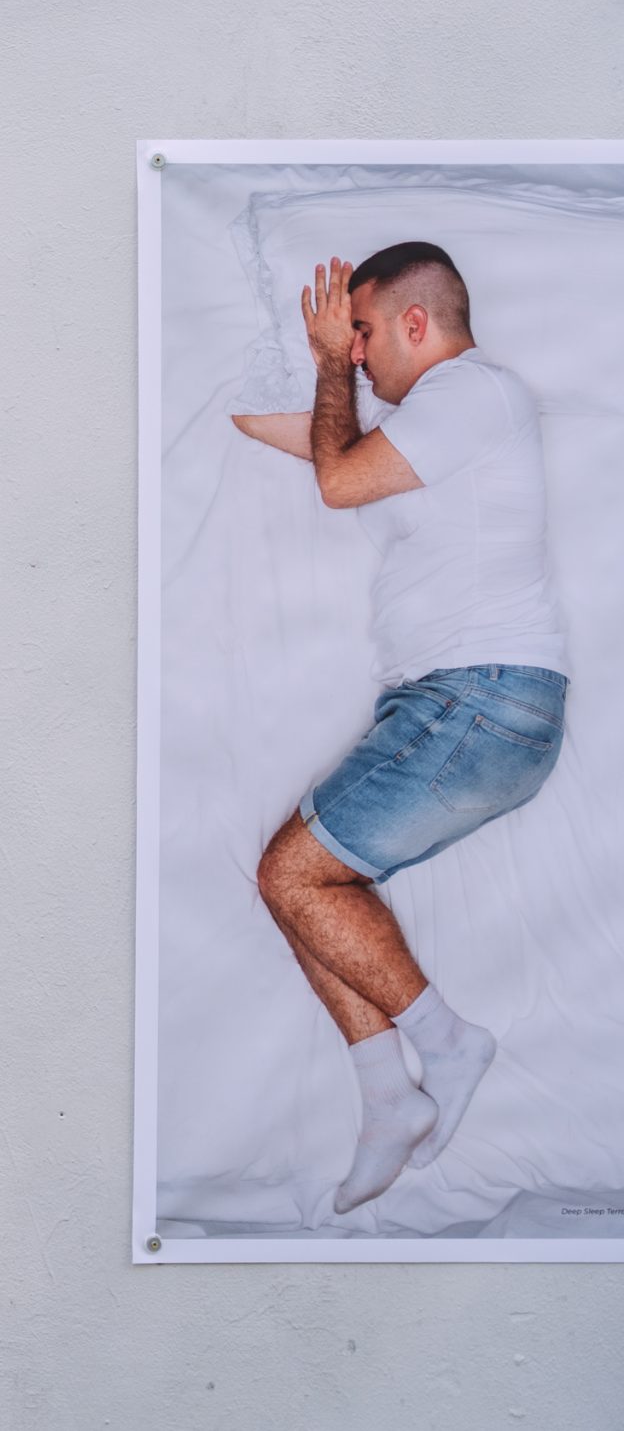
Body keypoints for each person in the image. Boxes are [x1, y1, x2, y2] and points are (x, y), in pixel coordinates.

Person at [231, 244, 566, 1214]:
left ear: (417, 324)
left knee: (293, 875)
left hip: (480, 699)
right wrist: (305, 372)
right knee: (306, 888)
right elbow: (313, 445)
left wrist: (328, 366)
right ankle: (386, 1091)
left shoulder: (471, 393)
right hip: (464, 706)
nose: (356, 352)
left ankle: (445, 1044)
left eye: (365, 332)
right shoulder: (441, 425)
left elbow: (336, 480)